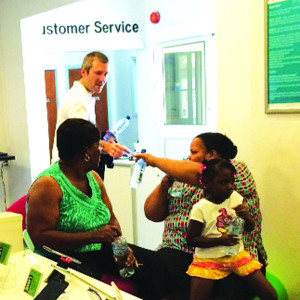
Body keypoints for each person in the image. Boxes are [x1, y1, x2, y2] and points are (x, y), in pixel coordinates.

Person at [27, 118, 167, 300]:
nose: (101, 151)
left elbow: (112, 220)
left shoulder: (93, 177)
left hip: (98, 248)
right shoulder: (48, 185)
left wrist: (121, 249)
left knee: (155, 264)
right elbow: (39, 238)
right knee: (89, 281)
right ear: (86, 152)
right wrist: (93, 236)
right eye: (98, 146)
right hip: (61, 256)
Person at [134, 132, 268, 299]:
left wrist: (153, 160)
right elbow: (151, 214)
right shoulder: (182, 178)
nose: (188, 157)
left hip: (232, 256)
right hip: (180, 254)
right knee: (146, 269)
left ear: (210, 155)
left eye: (194, 152)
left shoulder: (234, 171)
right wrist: (163, 186)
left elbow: (200, 174)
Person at [186, 159, 277, 300]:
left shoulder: (236, 198)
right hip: (208, 259)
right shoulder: (200, 208)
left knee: (271, 295)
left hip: (236, 255)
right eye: (223, 183)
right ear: (208, 184)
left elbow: (250, 228)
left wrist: (246, 216)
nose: (230, 187)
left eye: (231, 182)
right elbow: (191, 240)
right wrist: (220, 241)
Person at [52, 51, 128, 164]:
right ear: (83, 72)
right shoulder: (77, 100)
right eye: (98, 73)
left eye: (105, 74)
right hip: (69, 170)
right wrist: (106, 146)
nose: (102, 79)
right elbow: (81, 139)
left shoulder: (85, 96)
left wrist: (105, 142)